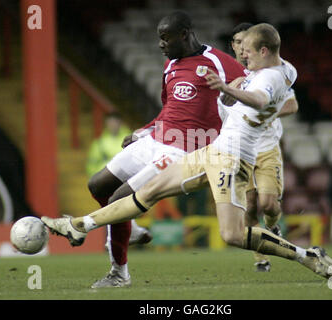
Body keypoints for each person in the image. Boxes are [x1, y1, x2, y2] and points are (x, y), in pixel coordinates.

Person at [42, 23, 332, 282]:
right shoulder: (285, 69)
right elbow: (277, 88)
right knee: (147, 192)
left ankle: (307, 257)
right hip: (214, 151)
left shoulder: (269, 78)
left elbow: (257, 98)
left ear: (264, 51)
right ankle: (79, 225)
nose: (243, 57)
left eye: (248, 52)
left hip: (233, 159)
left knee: (233, 235)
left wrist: (227, 88)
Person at [84, 11, 246, 288]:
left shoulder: (219, 62)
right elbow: (168, 110)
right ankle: (129, 228)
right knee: (97, 185)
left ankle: (119, 273)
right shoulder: (170, 66)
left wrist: (234, 105)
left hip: (186, 150)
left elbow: (250, 89)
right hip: (156, 140)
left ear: (184, 34)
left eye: (164, 38)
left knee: (119, 200)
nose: (160, 44)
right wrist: (143, 132)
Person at [229, 22, 299, 272]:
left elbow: (292, 105)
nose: (241, 48)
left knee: (268, 205)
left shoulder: (272, 72)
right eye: (237, 43)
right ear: (233, 46)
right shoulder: (230, 74)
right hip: (240, 149)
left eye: (245, 43)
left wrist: (265, 113)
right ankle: (261, 257)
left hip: (267, 147)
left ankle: (271, 226)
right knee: (249, 206)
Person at [85, 112, 152, 247]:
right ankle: (119, 238)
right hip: (108, 181)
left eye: (115, 121)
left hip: (129, 179)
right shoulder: (100, 143)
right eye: (110, 122)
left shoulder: (130, 138)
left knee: (124, 208)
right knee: (114, 207)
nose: (112, 125)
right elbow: (91, 164)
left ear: (120, 122)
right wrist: (99, 175)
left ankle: (130, 238)